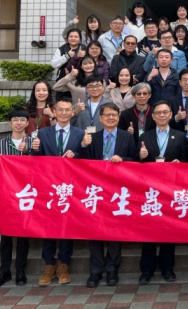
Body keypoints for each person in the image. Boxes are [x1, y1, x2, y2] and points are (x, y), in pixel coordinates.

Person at [78, 102, 135, 287]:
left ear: (118, 117)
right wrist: (83, 146)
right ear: (101, 118)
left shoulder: (127, 137)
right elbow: (83, 162)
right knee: (94, 230)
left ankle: (112, 269)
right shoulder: (92, 137)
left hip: (118, 192)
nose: (111, 118)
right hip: (96, 191)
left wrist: (123, 159)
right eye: (107, 115)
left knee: (114, 231)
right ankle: (95, 271)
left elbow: (135, 161)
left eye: (114, 115)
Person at [31, 97, 85, 286]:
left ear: (72, 112)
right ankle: (49, 265)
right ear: (54, 112)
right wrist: (35, 149)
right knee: (47, 225)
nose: (63, 113)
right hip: (48, 186)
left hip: (70, 187)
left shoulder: (80, 133)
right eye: (60, 109)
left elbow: (86, 158)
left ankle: (63, 264)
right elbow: (37, 158)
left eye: (67, 110)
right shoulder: (43, 133)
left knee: (67, 224)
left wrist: (77, 153)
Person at [138, 101, 187, 283]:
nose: (162, 115)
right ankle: (147, 270)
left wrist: (180, 163)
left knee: (168, 228)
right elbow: (136, 161)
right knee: (148, 230)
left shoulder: (179, 136)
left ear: (170, 114)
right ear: (153, 116)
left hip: (170, 190)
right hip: (150, 190)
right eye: (158, 113)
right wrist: (140, 156)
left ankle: (167, 268)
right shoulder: (145, 136)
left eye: (165, 112)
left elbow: (186, 160)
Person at [0, 110, 33, 288]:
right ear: (10, 123)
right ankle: (4, 271)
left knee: (23, 235)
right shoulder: (1, 144)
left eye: (22, 119)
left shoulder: (33, 142)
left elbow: (39, 166)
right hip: (7, 195)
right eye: (15, 119)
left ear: (27, 123)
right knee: (6, 234)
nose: (19, 122)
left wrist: (28, 152)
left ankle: (21, 271)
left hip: (27, 194)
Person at [118, 83, 156, 147]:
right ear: (133, 96)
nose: (142, 96)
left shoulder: (156, 113)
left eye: (145, 93)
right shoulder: (125, 114)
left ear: (149, 95)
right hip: (131, 147)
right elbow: (119, 133)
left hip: (151, 147)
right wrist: (127, 132)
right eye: (138, 94)